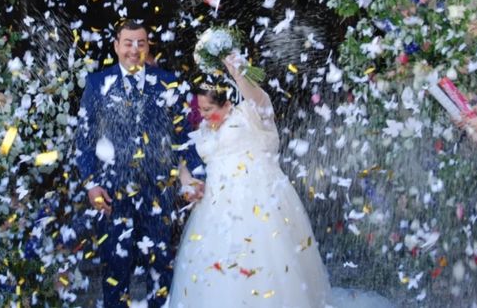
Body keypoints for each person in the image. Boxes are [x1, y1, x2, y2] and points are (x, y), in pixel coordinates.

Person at [169, 55, 393, 308]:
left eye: (209, 110)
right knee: (219, 265)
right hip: (216, 206)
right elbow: (182, 162)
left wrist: (237, 72)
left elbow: (259, 99)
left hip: (259, 200)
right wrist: (188, 181)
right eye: (201, 111)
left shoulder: (249, 115)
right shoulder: (204, 132)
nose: (205, 116)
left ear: (228, 103)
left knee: (267, 259)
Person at [75, 20, 202, 308]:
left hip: (158, 191)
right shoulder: (97, 84)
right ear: (116, 46)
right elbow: (84, 139)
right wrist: (91, 184)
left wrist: (194, 176)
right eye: (128, 43)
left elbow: (184, 136)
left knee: (161, 268)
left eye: (141, 43)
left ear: (148, 47)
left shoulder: (168, 82)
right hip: (111, 193)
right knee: (115, 270)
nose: (134, 49)